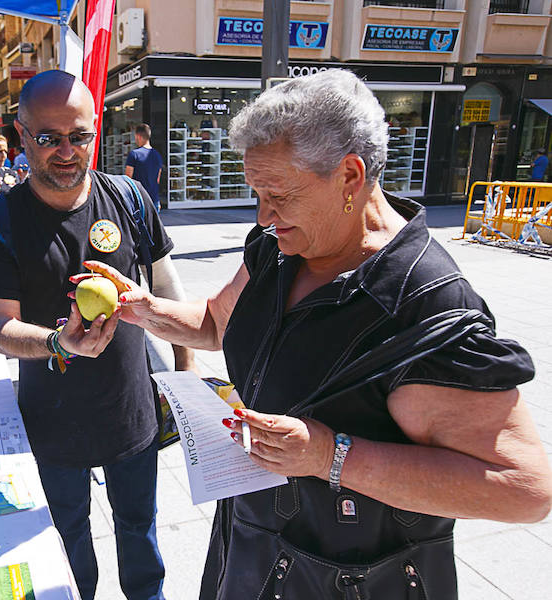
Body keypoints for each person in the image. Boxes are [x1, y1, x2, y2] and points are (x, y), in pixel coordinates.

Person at [76, 70, 552, 599]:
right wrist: (142, 308)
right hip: (257, 545)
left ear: (350, 175)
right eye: (256, 192)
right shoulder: (278, 247)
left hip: (352, 577)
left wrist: (331, 456)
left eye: (278, 193)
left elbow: (523, 490)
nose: (263, 215)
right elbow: (215, 322)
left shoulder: (423, 302)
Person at [0, 70, 194, 600]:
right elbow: (1, 327)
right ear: (22, 135)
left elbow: (167, 288)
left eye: (79, 136)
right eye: (49, 138)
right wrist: (58, 343)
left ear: (97, 131)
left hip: (130, 411)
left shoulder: (131, 200)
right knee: (69, 544)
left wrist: (186, 372)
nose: (66, 151)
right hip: (51, 424)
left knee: (139, 534)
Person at [125, 124, 164, 211]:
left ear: (138, 136)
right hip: (154, 199)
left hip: (138, 200)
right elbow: (158, 179)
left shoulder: (134, 154)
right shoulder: (157, 155)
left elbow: (127, 179)